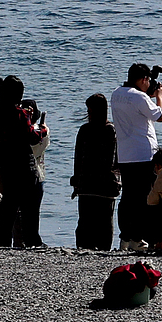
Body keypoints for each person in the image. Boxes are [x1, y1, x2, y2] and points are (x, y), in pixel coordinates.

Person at [110, 63, 162, 250]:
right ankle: (138, 237)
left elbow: (135, 108)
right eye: (148, 80)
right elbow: (160, 116)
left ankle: (125, 237)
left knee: (127, 198)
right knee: (143, 197)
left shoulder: (117, 94)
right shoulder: (140, 97)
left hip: (125, 155)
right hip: (143, 153)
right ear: (144, 79)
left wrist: (149, 97)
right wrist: (159, 97)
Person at [0, 76, 48, 247]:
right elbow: (32, 136)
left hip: (6, 163)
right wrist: (42, 130)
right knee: (30, 206)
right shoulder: (19, 113)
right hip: (23, 162)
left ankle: (2, 242)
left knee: (8, 205)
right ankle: (31, 241)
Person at [73, 92, 119, 250]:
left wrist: (76, 182)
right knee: (104, 223)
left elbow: (78, 158)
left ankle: (84, 248)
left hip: (87, 185)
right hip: (105, 187)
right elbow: (113, 159)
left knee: (85, 223)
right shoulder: (111, 130)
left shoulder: (85, 130)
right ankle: (103, 250)